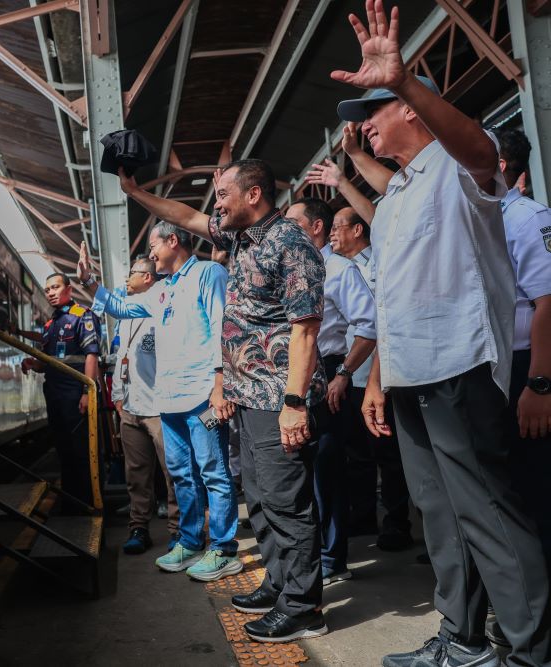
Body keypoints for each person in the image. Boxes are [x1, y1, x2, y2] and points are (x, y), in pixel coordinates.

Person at [333, 2, 551, 665]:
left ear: (410, 111)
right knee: (441, 515)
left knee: (487, 511)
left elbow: (482, 149)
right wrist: (380, 378)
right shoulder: (400, 191)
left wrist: (402, 80)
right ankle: (460, 637)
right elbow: (395, 298)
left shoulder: (460, 170)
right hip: (411, 375)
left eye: (373, 111)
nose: (363, 125)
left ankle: (528, 650)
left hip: (458, 368)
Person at [118, 159, 328, 643]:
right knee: (259, 499)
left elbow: (306, 329)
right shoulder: (241, 239)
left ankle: (303, 607)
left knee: (287, 502)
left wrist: (294, 402)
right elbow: (186, 217)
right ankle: (278, 584)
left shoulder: (291, 245)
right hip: (249, 397)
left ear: (253, 194)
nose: (216, 205)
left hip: (280, 398)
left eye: (224, 194)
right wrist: (134, 191)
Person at [77, 223, 239, 583]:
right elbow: (119, 306)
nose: (151, 254)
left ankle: (225, 549)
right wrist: (90, 282)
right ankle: (191, 541)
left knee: (213, 472)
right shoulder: (162, 289)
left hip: (202, 396)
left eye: (154, 246)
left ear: (173, 241)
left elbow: (221, 328)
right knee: (181, 475)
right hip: (169, 400)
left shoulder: (208, 273)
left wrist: (219, 384)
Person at [285, 198, 377, 586]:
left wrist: (343, 374)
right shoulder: (289, 271)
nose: (285, 231)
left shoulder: (339, 270)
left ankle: (331, 556)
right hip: (294, 377)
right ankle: (308, 551)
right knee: (298, 469)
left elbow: (369, 326)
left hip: (328, 373)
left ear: (316, 227)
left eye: (294, 224)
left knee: (328, 469)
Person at [327, 206, 412, 552]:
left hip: (379, 375)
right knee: (356, 452)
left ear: (359, 230)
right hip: (349, 376)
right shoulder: (335, 268)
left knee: (388, 454)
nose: (332, 234)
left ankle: (397, 524)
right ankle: (363, 516)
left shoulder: (377, 263)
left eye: (338, 227)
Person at [495, 127, 551, 562]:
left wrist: (539, 384)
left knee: (536, 488)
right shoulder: (486, 219)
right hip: (496, 366)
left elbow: (547, 303)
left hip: (526, 367)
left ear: (498, 165)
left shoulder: (528, 217)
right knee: (509, 484)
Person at [107, 257, 179, 555]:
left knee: (173, 472)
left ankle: (179, 531)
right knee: (136, 474)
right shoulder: (125, 316)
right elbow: (120, 359)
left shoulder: (162, 307)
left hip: (160, 407)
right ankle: (139, 528)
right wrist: (118, 399)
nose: (127, 279)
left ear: (148, 278)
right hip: (131, 407)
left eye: (132, 274)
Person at [21, 273, 101, 511]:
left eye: (55, 287)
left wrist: (89, 391)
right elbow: (50, 361)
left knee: (81, 451)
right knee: (64, 450)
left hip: (74, 394)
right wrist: (33, 364)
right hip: (54, 394)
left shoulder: (82, 317)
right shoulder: (50, 324)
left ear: (69, 289)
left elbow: (91, 355)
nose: (51, 293)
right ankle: (70, 500)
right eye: (47, 290)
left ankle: (87, 503)